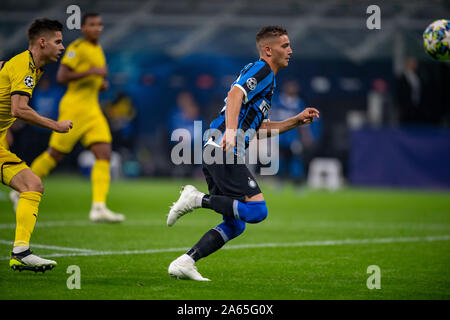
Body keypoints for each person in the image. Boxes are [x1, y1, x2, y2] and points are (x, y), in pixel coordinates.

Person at [166, 26, 319, 281]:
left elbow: (257, 128)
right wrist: (231, 130)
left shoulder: (268, 80)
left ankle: (186, 261)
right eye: (285, 45)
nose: (290, 50)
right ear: (268, 50)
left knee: (235, 224)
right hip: (222, 146)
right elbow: (235, 93)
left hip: (216, 145)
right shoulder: (261, 69)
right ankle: (196, 199)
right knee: (257, 211)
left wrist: (295, 121)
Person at [11, 13, 124, 222]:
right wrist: (91, 72)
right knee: (55, 154)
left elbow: (91, 79)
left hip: (93, 110)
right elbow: (62, 76)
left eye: (99, 24)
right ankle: (20, 189)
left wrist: (99, 83)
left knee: (104, 153)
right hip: (75, 109)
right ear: (83, 28)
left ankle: (98, 207)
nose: (97, 28)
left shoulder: (97, 49)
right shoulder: (76, 48)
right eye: (92, 25)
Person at [0, 19, 72, 272]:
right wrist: (56, 126)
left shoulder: (26, 66)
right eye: (58, 42)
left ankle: (21, 251)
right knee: (32, 184)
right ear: (42, 42)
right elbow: (19, 110)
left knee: (32, 185)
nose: (62, 47)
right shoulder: (25, 65)